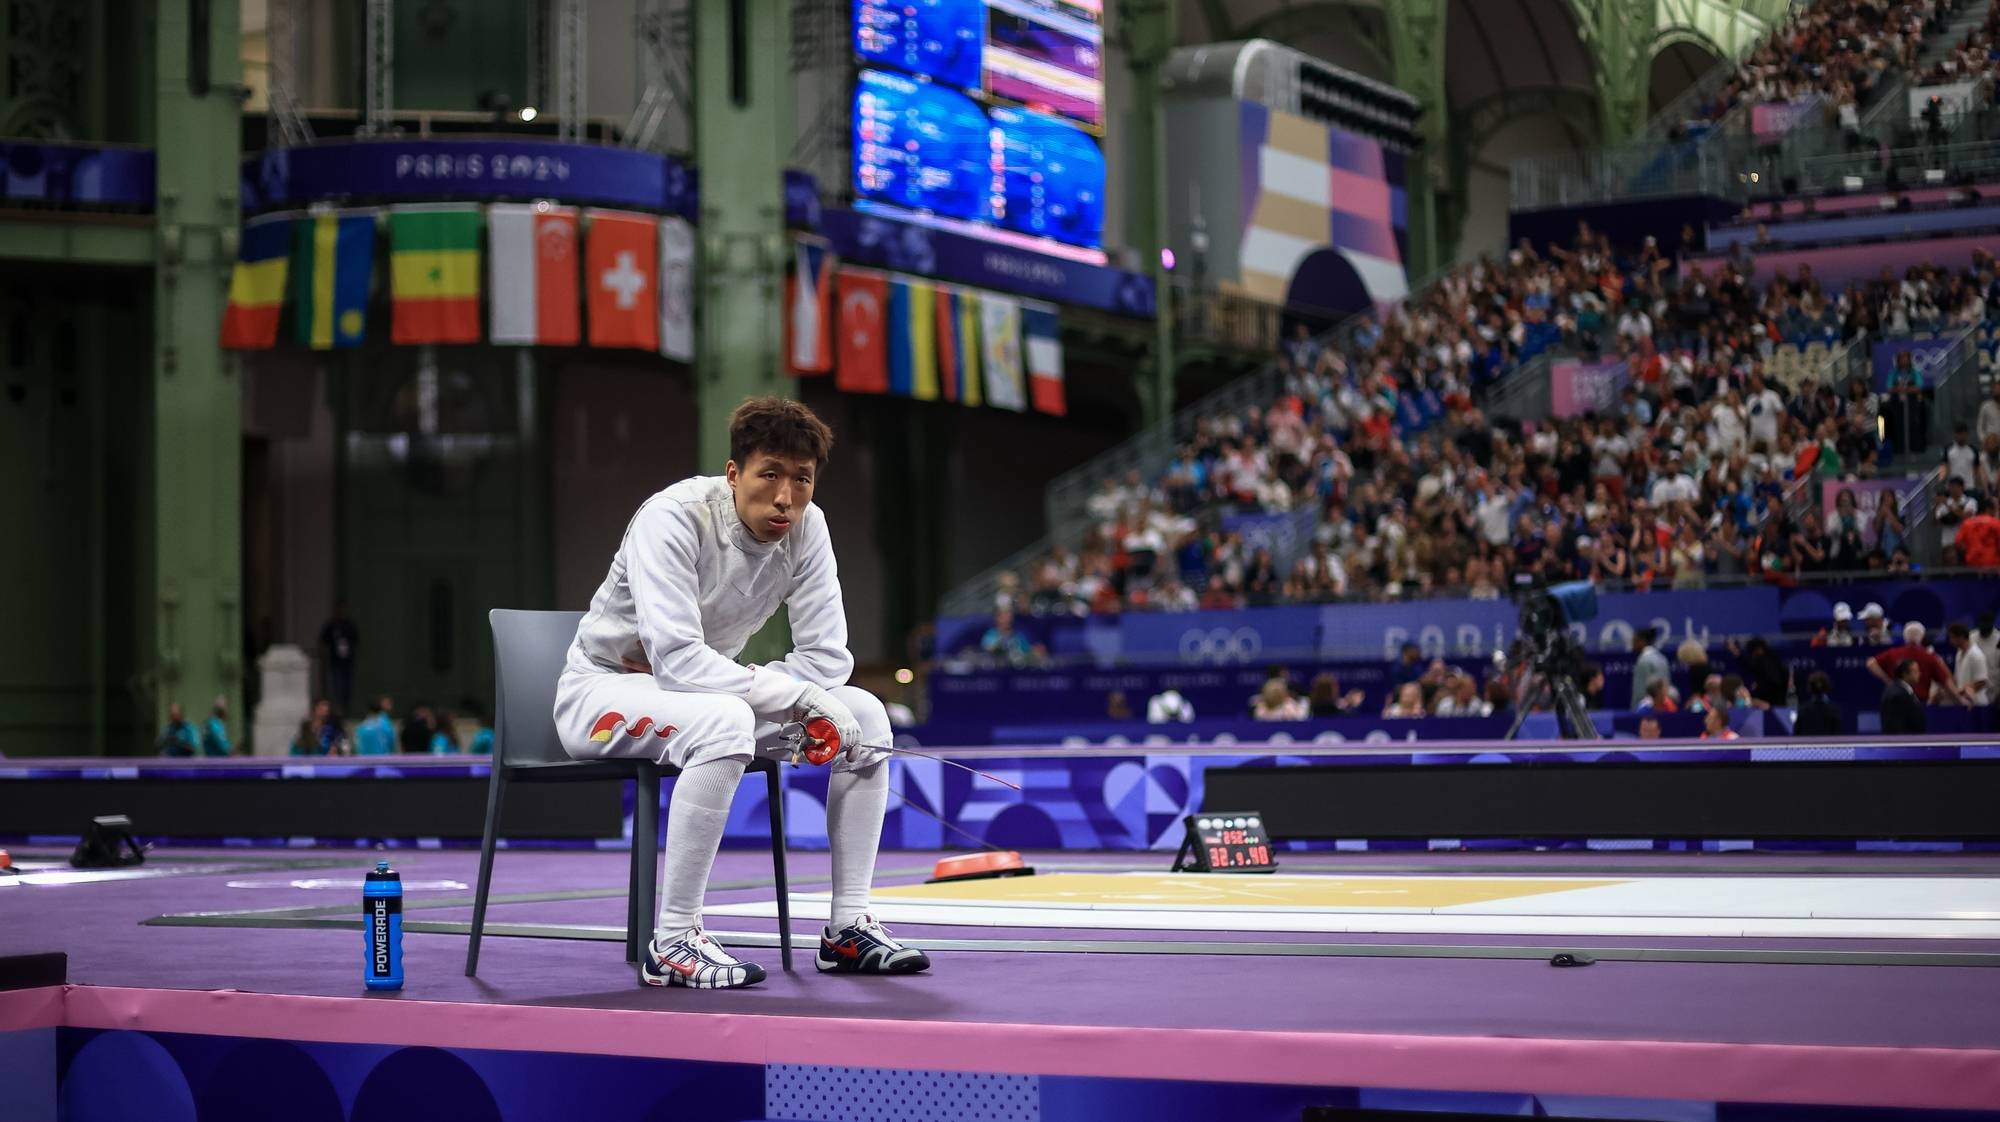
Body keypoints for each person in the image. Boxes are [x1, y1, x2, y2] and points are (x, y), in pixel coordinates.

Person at [555, 397, 924, 988]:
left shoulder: (809, 527)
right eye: (769, 474)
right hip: (602, 695)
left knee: (867, 715)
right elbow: (675, 659)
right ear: (734, 474)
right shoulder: (673, 516)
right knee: (726, 720)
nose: (785, 496)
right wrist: (796, 698)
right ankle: (674, 939)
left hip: (704, 695)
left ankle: (848, 928)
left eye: (801, 479)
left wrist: (806, 697)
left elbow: (827, 657)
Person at [1866, 622, 1962, 706]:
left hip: (1896, 702)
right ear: (1922, 637)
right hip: (1918, 703)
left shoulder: (1893, 653)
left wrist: (1889, 681)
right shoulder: (1929, 657)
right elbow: (1947, 683)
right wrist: (1961, 702)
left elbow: (1871, 663)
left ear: (1904, 636)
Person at [318, 602, 359, 714]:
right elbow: (323, 641)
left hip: (348, 661)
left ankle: (346, 709)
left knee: (347, 687)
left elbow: (356, 642)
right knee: (337, 686)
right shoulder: (331, 625)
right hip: (335, 661)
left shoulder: (350, 625)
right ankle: (338, 710)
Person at [1880, 659, 1928, 734]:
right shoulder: (1897, 694)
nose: (1920, 673)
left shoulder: (1904, 691)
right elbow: (1895, 727)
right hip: (1904, 742)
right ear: (1905, 673)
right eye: (1915, 671)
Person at [1948, 622, 1991, 706]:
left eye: (1952, 637)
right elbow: (1957, 677)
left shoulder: (1976, 655)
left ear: (1960, 637)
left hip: (1978, 703)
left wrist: (1963, 691)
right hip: (1965, 702)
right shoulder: (1959, 653)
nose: (1950, 641)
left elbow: (1982, 681)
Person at [1629, 627, 1670, 709]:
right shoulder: (1662, 658)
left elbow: (1639, 692)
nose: (1632, 644)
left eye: (1634, 640)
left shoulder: (1643, 661)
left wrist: (1635, 711)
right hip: (1663, 708)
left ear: (1642, 641)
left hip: (1646, 711)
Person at [1793, 671, 1843, 736]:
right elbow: (1838, 736)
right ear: (1827, 687)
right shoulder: (1835, 710)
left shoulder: (1802, 710)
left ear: (1810, 688)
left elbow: (1796, 735)